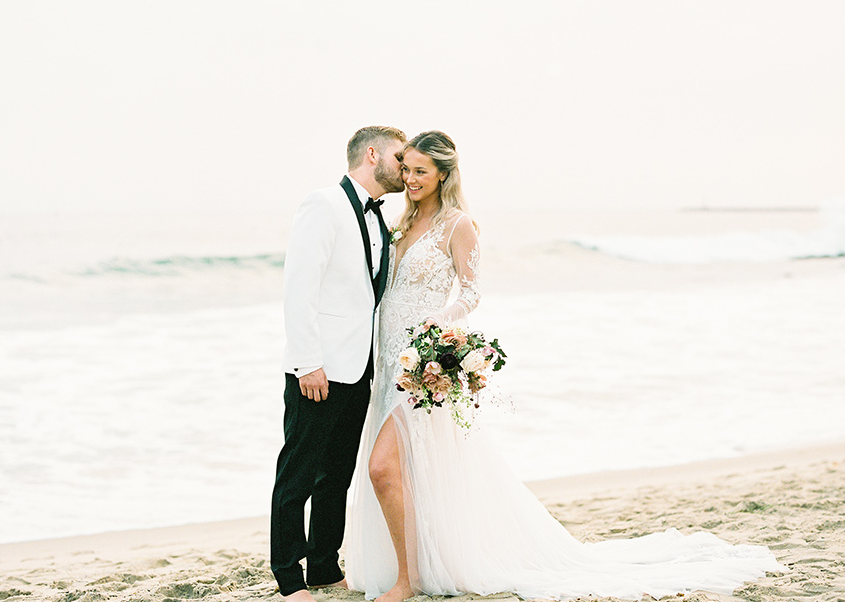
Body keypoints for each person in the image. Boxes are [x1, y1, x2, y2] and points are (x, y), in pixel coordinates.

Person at [345, 130, 784, 602]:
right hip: (387, 361)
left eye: (420, 172)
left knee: (383, 468)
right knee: (413, 473)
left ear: (443, 175)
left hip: (423, 361)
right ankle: (419, 567)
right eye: (406, 169)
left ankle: (407, 583)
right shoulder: (399, 221)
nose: (409, 179)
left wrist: (439, 325)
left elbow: (471, 293)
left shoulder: (458, 224)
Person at [271, 126, 407, 602]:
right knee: (298, 474)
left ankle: (324, 567)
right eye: (399, 157)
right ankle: (289, 579)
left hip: (359, 366)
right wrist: (307, 362)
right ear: (372, 154)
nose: (406, 167)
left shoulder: (380, 219)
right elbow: (299, 288)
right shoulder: (323, 204)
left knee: (337, 475)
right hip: (319, 369)